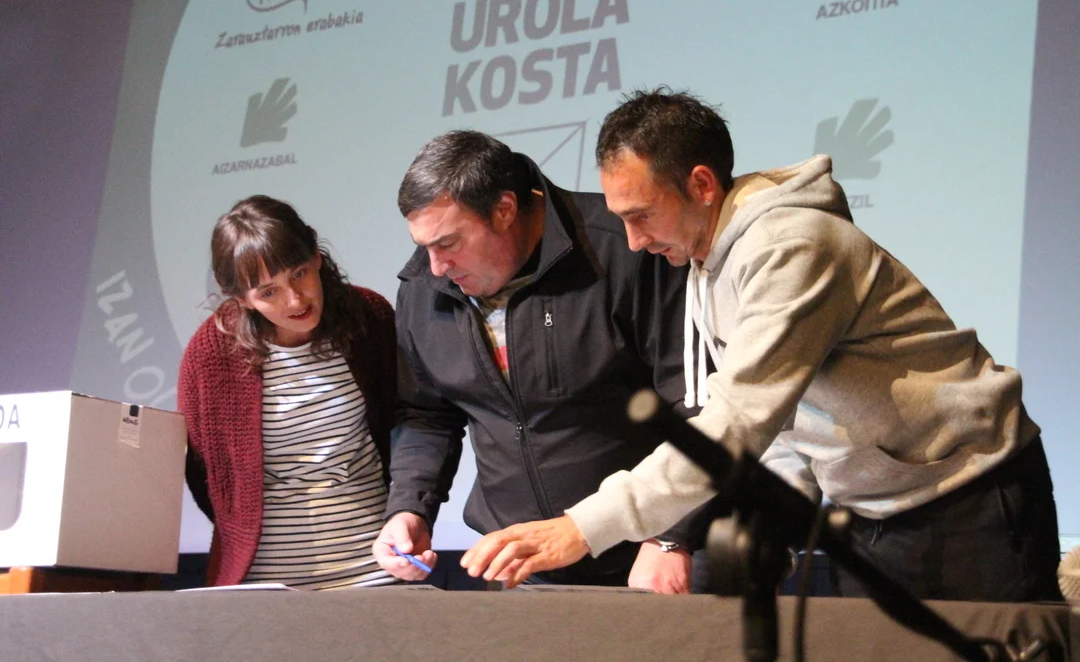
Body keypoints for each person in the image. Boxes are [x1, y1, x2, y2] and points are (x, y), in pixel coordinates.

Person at [460, 88, 1063, 602]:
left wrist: (583, 528)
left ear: (701, 184)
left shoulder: (791, 245)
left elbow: (738, 419)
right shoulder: (704, 262)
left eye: (641, 215)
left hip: (968, 497)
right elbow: (784, 425)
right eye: (621, 219)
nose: (634, 241)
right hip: (870, 513)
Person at [374, 130, 715, 592]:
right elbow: (427, 416)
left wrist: (672, 535)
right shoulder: (424, 288)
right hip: (526, 565)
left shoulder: (625, 248)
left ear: (504, 210)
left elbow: (699, 403)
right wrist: (409, 508)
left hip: (656, 553)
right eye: (424, 246)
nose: (436, 267)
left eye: (449, 243)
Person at [179, 195, 398, 589]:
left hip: (376, 568)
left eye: (299, 273)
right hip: (263, 582)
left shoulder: (370, 317)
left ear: (316, 256)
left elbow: (408, 427)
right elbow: (206, 475)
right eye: (268, 292)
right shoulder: (211, 353)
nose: (295, 299)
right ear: (242, 299)